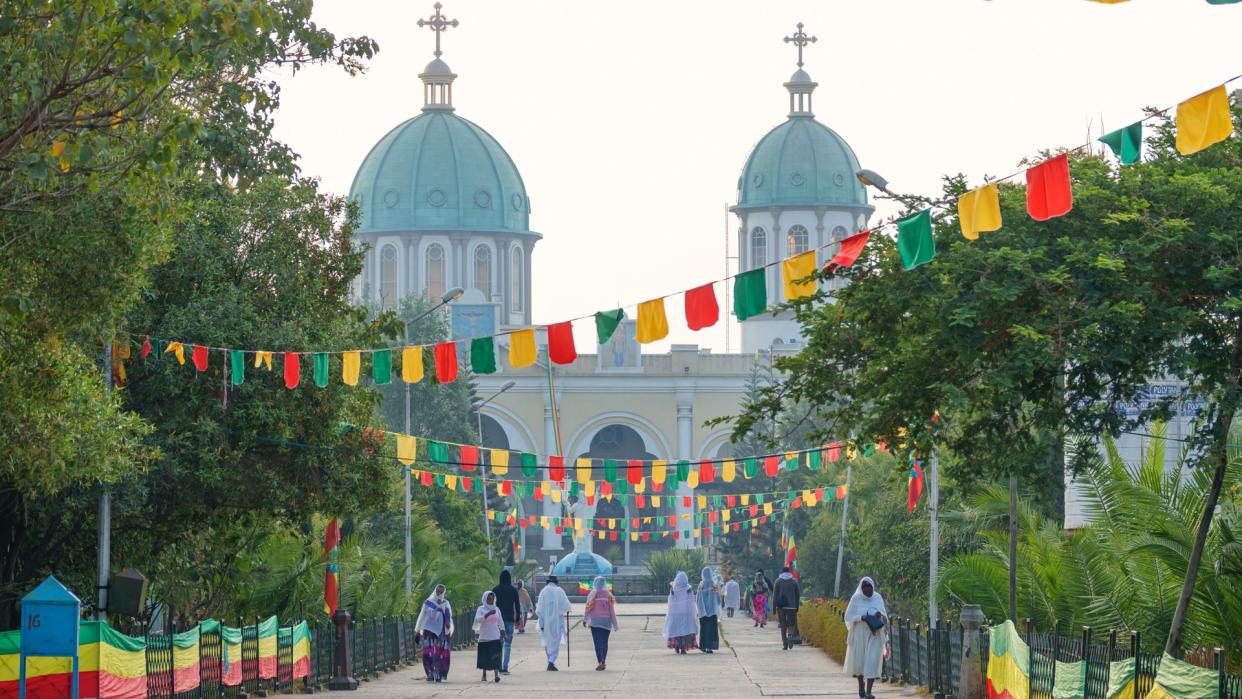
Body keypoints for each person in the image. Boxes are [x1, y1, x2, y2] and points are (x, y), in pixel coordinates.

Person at [843, 577, 888, 699]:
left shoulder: (877, 597)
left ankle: (869, 692)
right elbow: (848, 616)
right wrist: (861, 618)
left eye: (869, 586)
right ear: (861, 588)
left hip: (875, 634)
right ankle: (861, 684)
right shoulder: (856, 598)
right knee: (860, 663)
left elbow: (885, 617)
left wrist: (880, 615)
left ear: (873, 586)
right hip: (860, 633)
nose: (867, 588)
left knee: (872, 661)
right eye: (864, 586)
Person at [413, 583, 453, 683]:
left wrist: (441, 606)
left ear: (443, 592)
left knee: (441, 654)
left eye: (441, 591)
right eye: (438, 590)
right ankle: (430, 674)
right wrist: (418, 631)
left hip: (442, 633)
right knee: (428, 653)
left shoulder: (446, 603)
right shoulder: (428, 602)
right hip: (428, 632)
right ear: (435, 591)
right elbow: (422, 616)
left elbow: (449, 616)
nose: (439, 592)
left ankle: (440, 674)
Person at [581, 575, 619, 671]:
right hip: (606, 622)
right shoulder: (608, 595)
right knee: (604, 642)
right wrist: (615, 625)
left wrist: (585, 620)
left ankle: (600, 662)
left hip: (595, 622)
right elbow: (612, 611)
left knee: (597, 642)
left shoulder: (591, 595)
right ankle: (603, 661)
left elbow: (587, 609)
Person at [536, 575, 572, 671]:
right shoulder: (559, 591)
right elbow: (567, 606)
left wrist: (541, 622)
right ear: (556, 582)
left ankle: (550, 661)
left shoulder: (543, 592)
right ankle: (551, 661)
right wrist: (567, 610)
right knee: (555, 641)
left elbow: (539, 609)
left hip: (545, 621)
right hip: (557, 621)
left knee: (548, 641)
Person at [492, 569, 521, 674]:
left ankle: (498, 666)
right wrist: (517, 618)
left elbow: (491, 605)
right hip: (509, 620)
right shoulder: (513, 590)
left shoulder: (495, 590)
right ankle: (505, 667)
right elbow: (517, 605)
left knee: (499, 643)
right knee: (508, 644)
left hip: (497, 620)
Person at [663, 571, 699, 654]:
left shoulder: (674, 589)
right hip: (686, 614)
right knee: (684, 632)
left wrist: (670, 614)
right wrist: (693, 614)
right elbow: (691, 602)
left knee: (676, 631)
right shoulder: (688, 588)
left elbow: (670, 603)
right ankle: (683, 648)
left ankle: (677, 647)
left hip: (676, 614)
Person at [474, 591, 503, 683]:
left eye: (492, 599)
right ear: (485, 599)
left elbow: (500, 621)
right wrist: (488, 614)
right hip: (484, 637)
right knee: (484, 657)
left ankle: (496, 675)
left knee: (496, 656)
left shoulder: (497, 609)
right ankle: (484, 674)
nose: (490, 601)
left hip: (495, 636)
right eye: (489, 599)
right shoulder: (481, 609)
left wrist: (503, 631)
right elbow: (478, 620)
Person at [772, 566, 801, 650]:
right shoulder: (794, 582)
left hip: (781, 607)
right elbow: (797, 596)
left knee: (783, 625)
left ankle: (785, 644)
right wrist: (797, 607)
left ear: (781, 572)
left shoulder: (778, 581)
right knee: (791, 624)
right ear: (789, 573)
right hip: (792, 607)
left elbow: (774, 595)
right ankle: (790, 636)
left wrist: (774, 608)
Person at [695, 567, 720, 654]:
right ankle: (710, 647)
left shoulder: (701, 584)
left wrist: (699, 608)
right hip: (712, 611)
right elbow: (717, 597)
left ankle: (703, 646)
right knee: (712, 629)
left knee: (704, 629)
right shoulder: (714, 584)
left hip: (703, 611)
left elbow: (697, 597)